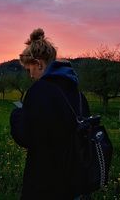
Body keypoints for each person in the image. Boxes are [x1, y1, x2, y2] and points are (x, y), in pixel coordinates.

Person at [10, 28, 90, 200]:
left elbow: (25, 136)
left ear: (39, 64)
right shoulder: (77, 93)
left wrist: (16, 115)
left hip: (45, 182)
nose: (30, 75)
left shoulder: (39, 91)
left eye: (29, 69)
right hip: (74, 181)